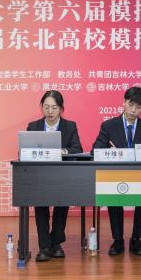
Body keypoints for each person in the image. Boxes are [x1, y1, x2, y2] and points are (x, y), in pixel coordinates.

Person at [92, 86, 141, 256]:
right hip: (115, 174)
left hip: (139, 176)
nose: (133, 110)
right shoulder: (109, 126)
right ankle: (118, 239)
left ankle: (136, 239)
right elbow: (95, 150)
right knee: (113, 191)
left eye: (138, 107)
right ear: (124, 102)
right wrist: (110, 153)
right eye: (130, 104)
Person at [26, 90, 83, 262]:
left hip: (62, 175)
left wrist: (62, 151)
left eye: (54, 107)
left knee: (61, 207)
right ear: (42, 107)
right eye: (46, 107)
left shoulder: (70, 126)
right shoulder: (33, 126)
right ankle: (44, 246)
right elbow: (24, 151)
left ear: (61, 109)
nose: (50, 111)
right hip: (40, 176)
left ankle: (56, 243)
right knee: (41, 208)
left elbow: (77, 149)